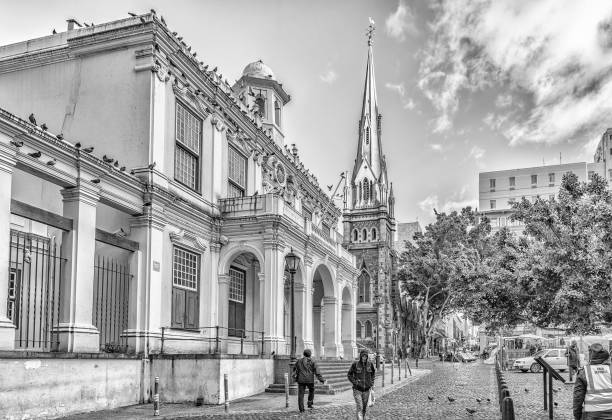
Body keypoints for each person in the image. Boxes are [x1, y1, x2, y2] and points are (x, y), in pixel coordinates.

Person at [573, 343, 612, 419]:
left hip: (592, 413)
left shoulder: (584, 371)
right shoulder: (610, 369)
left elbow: (578, 397)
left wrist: (577, 416)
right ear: (606, 358)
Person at [348, 349, 376, 420]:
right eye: (363, 356)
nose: (364, 358)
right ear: (360, 356)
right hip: (357, 390)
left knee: (364, 407)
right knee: (359, 406)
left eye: (365, 356)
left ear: (367, 357)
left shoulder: (370, 364)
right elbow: (349, 374)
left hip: (367, 390)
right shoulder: (355, 364)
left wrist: (371, 383)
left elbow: (373, 374)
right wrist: (355, 382)